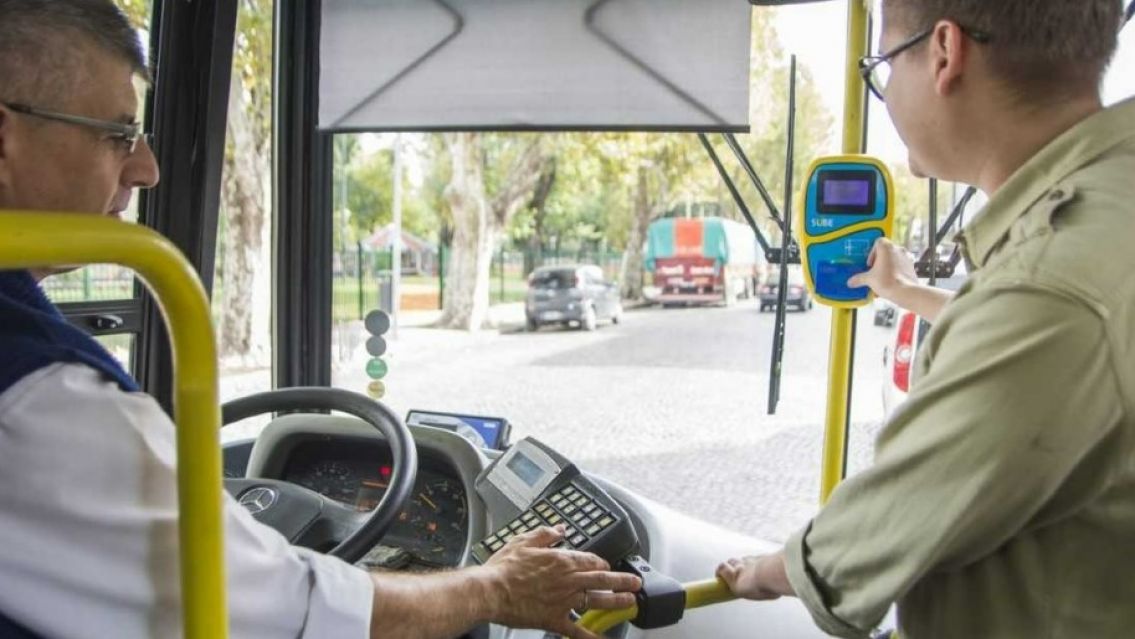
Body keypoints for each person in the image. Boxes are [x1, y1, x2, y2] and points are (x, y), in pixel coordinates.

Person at [0, 1, 639, 638]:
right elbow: (277, 608)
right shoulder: (41, 398)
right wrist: (491, 587)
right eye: (117, 134)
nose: (147, 168)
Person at [716, 1, 1135, 637]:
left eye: (882, 65)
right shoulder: (1109, 203)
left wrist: (769, 572)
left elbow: (899, 511)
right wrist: (909, 293)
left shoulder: (1049, 282)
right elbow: (1070, 355)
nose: (884, 93)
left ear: (944, 53)